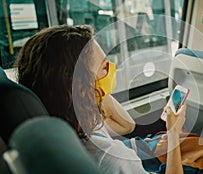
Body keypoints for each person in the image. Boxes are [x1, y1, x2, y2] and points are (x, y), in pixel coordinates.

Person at [14, 24, 187, 174]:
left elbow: (127, 126)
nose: (112, 69)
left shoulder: (75, 121)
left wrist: (92, 91)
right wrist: (172, 133)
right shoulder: (110, 158)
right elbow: (125, 131)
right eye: (104, 67)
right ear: (82, 87)